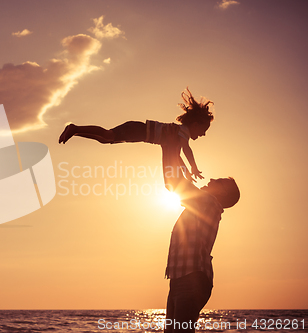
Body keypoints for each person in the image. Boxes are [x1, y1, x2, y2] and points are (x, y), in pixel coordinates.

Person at [160, 124, 240, 333]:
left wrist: (168, 147)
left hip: (191, 278)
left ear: (223, 195)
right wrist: (169, 149)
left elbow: (174, 182)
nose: (212, 179)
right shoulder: (205, 203)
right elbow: (175, 182)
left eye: (220, 181)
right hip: (181, 278)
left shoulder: (209, 203)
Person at [58, 88, 213, 181]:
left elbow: (177, 157)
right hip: (138, 130)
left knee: (106, 139)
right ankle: (75, 128)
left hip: (137, 131)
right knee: (107, 135)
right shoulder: (182, 132)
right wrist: (194, 167)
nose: (203, 135)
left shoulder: (179, 135)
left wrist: (186, 174)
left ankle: (75, 130)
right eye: (203, 130)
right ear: (195, 125)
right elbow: (186, 150)